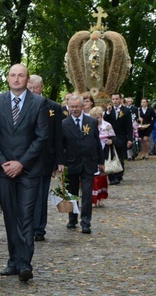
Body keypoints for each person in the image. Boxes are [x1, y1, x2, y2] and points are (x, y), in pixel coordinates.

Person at [0, 64, 48, 282]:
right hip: (3, 172)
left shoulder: (39, 103)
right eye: (13, 75)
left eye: (21, 75)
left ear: (27, 79)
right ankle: (13, 261)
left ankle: (25, 264)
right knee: (10, 216)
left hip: (29, 171)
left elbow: (41, 137)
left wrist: (21, 163)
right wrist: (3, 163)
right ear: (8, 78)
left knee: (26, 216)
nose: (16, 78)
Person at [58, 96, 104, 234]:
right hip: (71, 163)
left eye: (77, 107)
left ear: (82, 107)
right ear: (68, 106)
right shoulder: (64, 124)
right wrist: (59, 163)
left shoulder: (91, 122)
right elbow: (60, 146)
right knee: (72, 194)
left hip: (89, 163)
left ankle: (86, 223)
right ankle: (72, 219)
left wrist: (101, 162)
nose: (74, 109)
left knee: (87, 193)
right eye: (72, 107)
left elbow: (97, 142)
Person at [27, 75, 62, 241]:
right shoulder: (21, 105)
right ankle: (26, 227)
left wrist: (58, 161)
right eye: (30, 88)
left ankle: (39, 229)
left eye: (35, 88)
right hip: (25, 159)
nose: (33, 91)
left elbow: (58, 136)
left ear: (42, 88)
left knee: (41, 195)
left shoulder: (53, 107)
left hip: (45, 159)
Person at [103, 93, 133, 185]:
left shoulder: (126, 111)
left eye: (116, 99)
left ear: (120, 99)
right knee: (110, 155)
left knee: (120, 155)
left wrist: (130, 139)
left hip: (121, 136)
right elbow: (105, 121)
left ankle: (118, 176)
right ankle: (111, 176)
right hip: (110, 136)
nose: (115, 101)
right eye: (113, 99)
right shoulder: (109, 110)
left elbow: (129, 126)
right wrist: (107, 112)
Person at [90, 107, 113, 206]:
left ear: (101, 116)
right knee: (94, 177)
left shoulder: (107, 125)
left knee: (102, 177)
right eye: (94, 118)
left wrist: (111, 141)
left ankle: (101, 197)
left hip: (104, 152)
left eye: (98, 118)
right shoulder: (89, 125)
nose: (96, 120)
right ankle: (94, 199)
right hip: (92, 154)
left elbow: (114, 137)